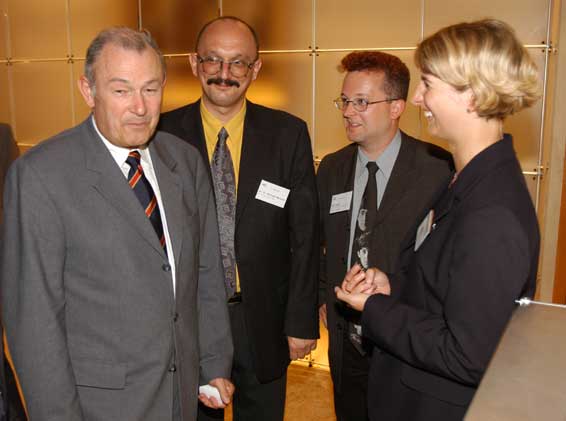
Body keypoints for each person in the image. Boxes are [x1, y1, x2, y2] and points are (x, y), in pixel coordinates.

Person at [1, 27, 233, 421]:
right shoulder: (41, 176)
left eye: (151, 88)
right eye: (121, 90)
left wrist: (213, 363)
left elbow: (204, 272)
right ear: (88, 91)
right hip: (100, 406)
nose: (140, 107)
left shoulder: (186, 161)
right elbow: (35, 323)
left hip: (181, 396)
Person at [336, 19, 540, 420]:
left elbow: (466, 353)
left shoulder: (493, 214)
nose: (416, 99)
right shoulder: (466, 180)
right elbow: (447, 291)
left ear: (474, 95)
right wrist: (393, 285)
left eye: (428, 84)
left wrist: (375, 307)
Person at [159, 16, 319, 421]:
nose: (224, 74)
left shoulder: (288, 134)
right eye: (213, 60)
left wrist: (301, 321)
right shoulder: (161, 135)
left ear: (256, 69)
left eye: (238, 62)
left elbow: (304, 234)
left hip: (263, 317)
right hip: (189, 319)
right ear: (195, 64)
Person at [317, 51, 452, 421]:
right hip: (345, 338)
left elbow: (445, 259)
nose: (347, 111)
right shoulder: (332, 168)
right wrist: (322, 297)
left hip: (404, 336)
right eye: (345, 101)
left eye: (361, 102)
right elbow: (314, 243)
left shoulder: (437, 168)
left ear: (396, 107)